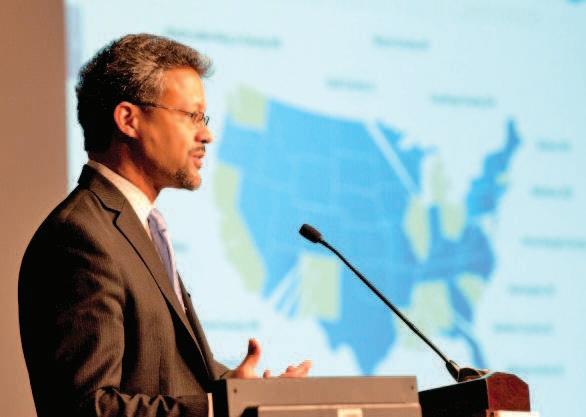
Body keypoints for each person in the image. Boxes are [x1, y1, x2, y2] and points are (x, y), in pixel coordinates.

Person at [18, 33, 311, 417]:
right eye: (191, 116)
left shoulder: (139, 227)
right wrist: (220, 408)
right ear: (129, 119)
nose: (206, 134)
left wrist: (244, 393)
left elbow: (168, 376)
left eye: (203, 118)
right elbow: (88, 407)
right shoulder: (80, 236)